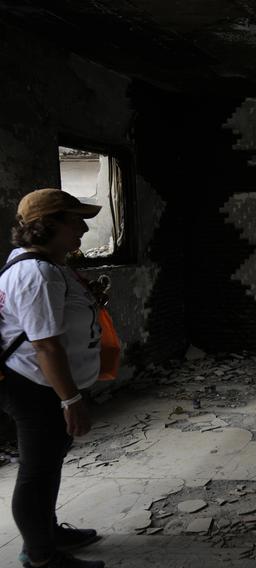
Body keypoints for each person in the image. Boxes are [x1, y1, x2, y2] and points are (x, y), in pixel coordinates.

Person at [0, 188, 107, 568]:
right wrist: (71, 400)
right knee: (37, 469)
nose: (83, 226)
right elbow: (47, 347)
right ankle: (40, 555)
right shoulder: (36, 273)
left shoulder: (49, 265)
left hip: (43, 383)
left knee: (48, 463)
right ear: (49, 225)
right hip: (35, 385)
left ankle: (46, 531)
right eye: (75, 219)